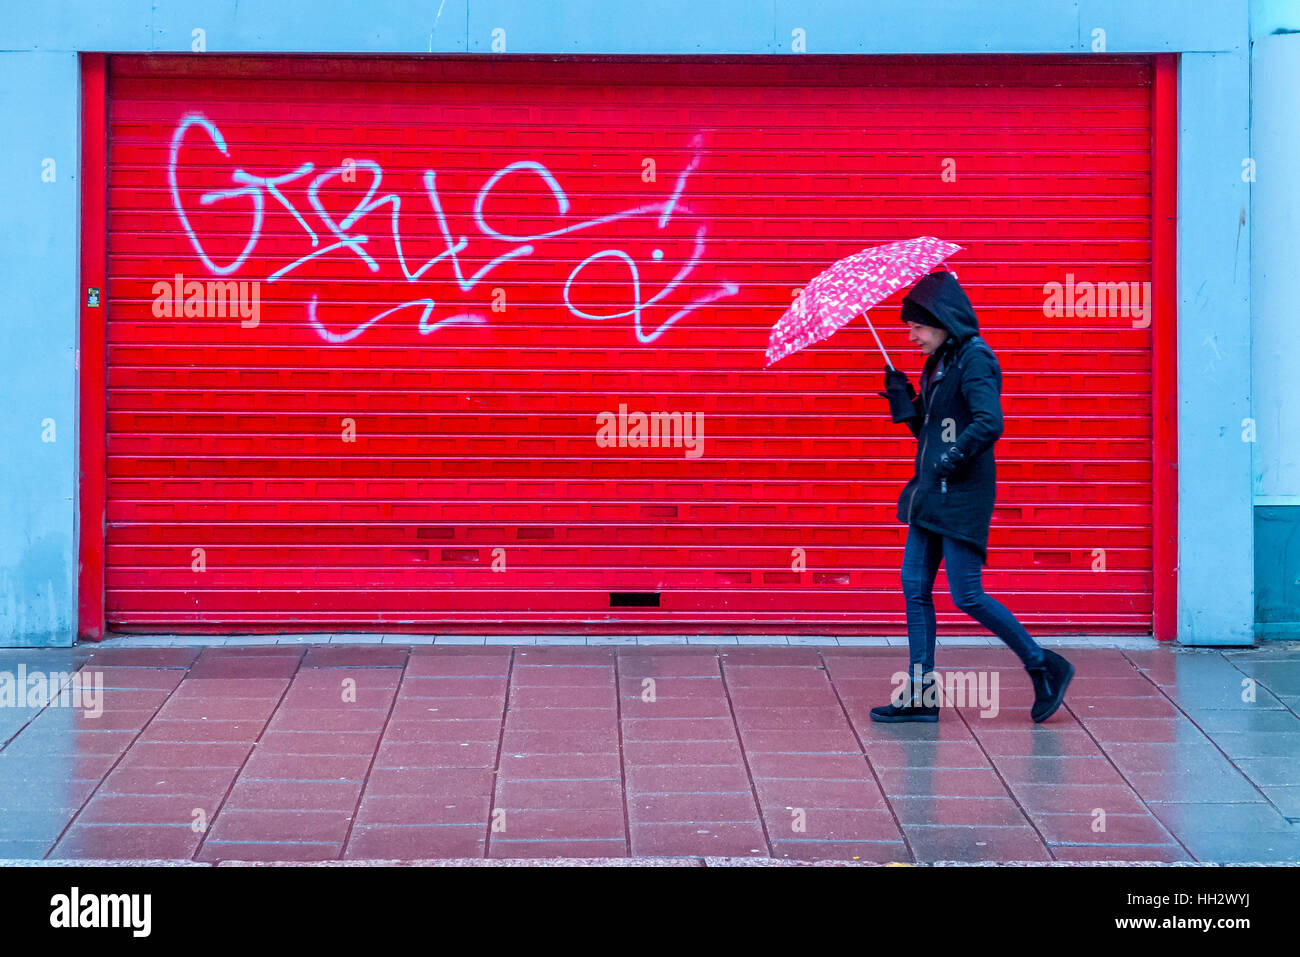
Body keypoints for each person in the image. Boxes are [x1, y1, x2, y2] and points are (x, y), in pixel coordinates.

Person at [872, 270, 1074, 723]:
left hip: (961, 494)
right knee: (914, 587)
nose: (912, 336)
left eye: (917, 326)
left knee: (966, 594)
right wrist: (903, 399)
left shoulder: (975, 359)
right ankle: (921, 693)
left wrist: (953, 458)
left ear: (942, 320)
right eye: (909, 328)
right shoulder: (939, 362)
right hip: (929, 493)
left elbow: (989, 422)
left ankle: (1043, 664)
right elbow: (931, 431)